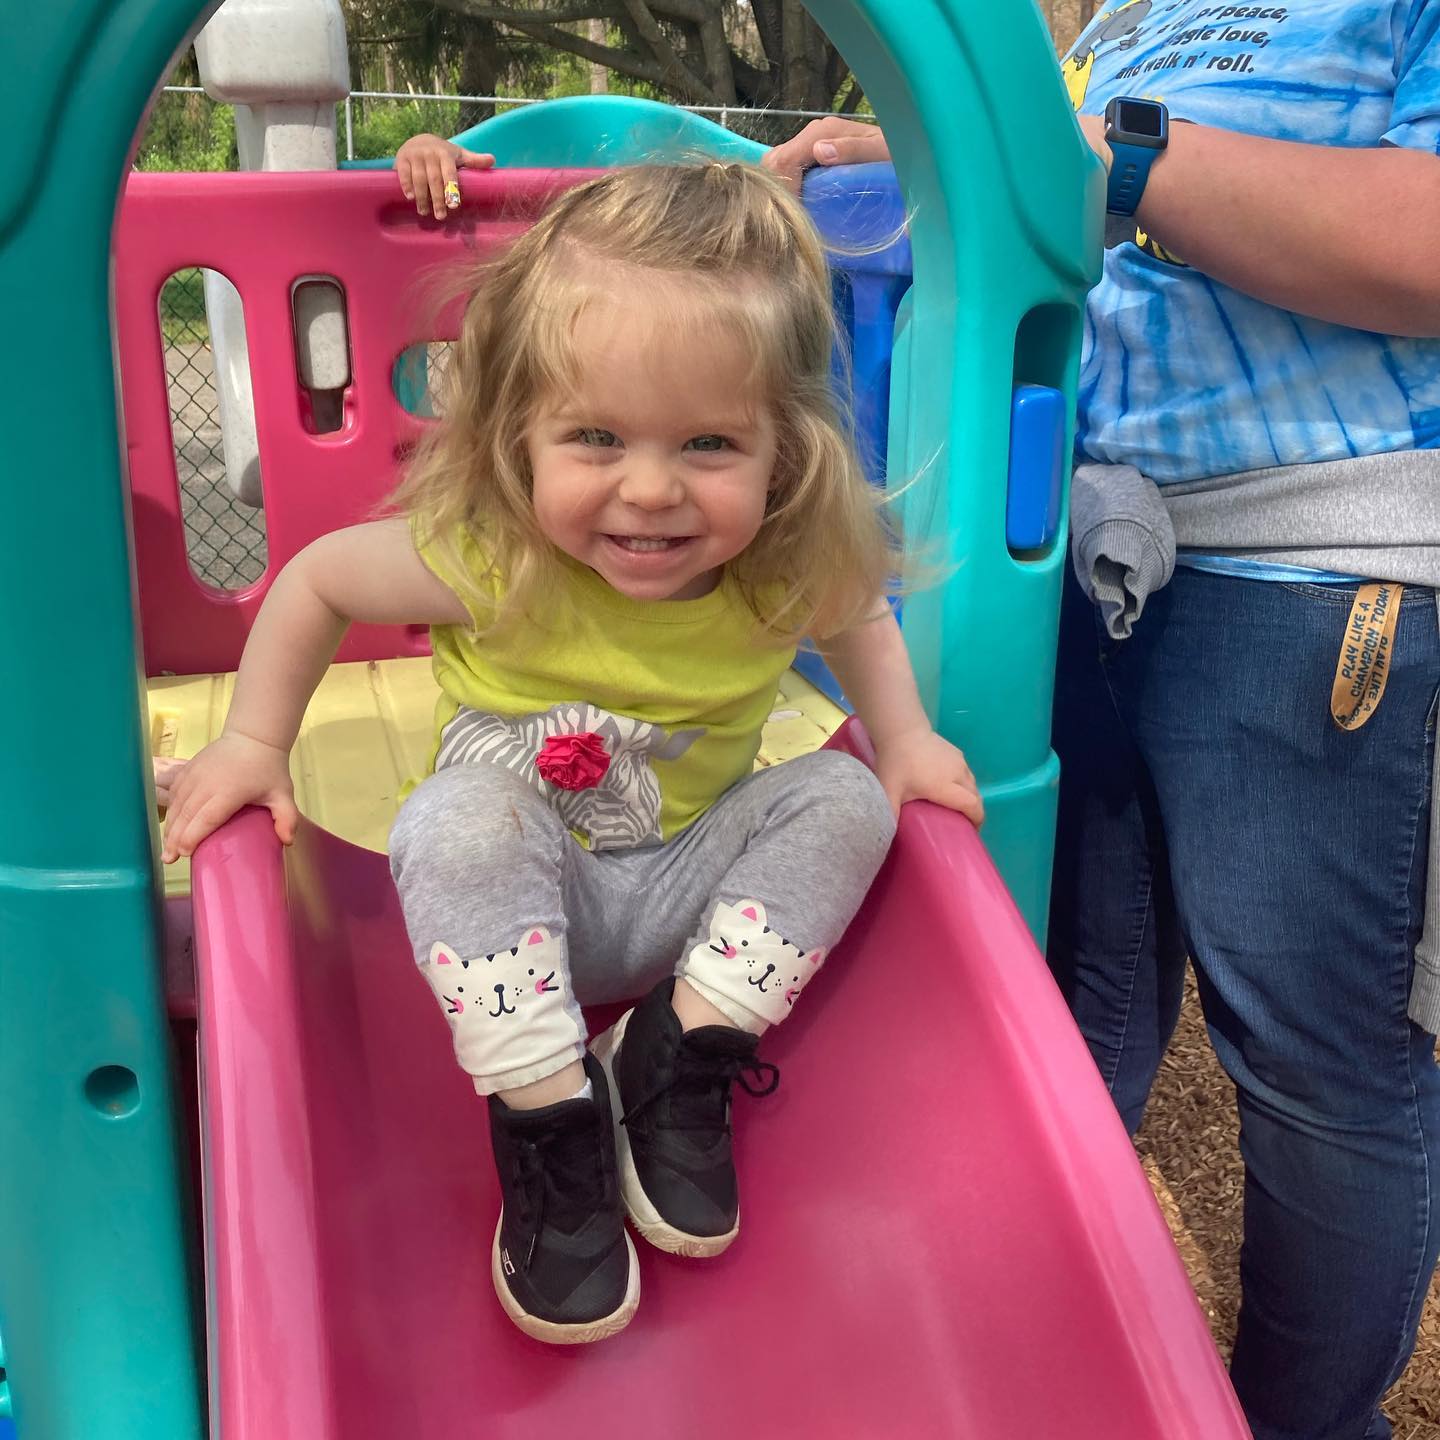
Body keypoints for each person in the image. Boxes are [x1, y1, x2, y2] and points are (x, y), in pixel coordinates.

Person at [158, 161, 982, 1347]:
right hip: (508, 908)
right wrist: (253, 741)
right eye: (595, 436)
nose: (649, 490)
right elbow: (318, 579)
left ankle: (680, 1045)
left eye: (708, 443)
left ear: (785, 453)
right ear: (519, 436)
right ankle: (550, 1122)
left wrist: (902, 740)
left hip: (683, 902)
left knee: (846, 797)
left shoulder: (776, 567)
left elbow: (855, 612)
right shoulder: (498, 560)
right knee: (457, 814)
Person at [767, 3, 1440, 1436]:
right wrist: (895, 142)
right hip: (1089, 555)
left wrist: (1120, 154)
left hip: (1312, 575)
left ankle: (1304, 1420)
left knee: (1314, 1060)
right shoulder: (1140, 7)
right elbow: (1063, 170)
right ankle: (1030, 1347)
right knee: (1075, 998)